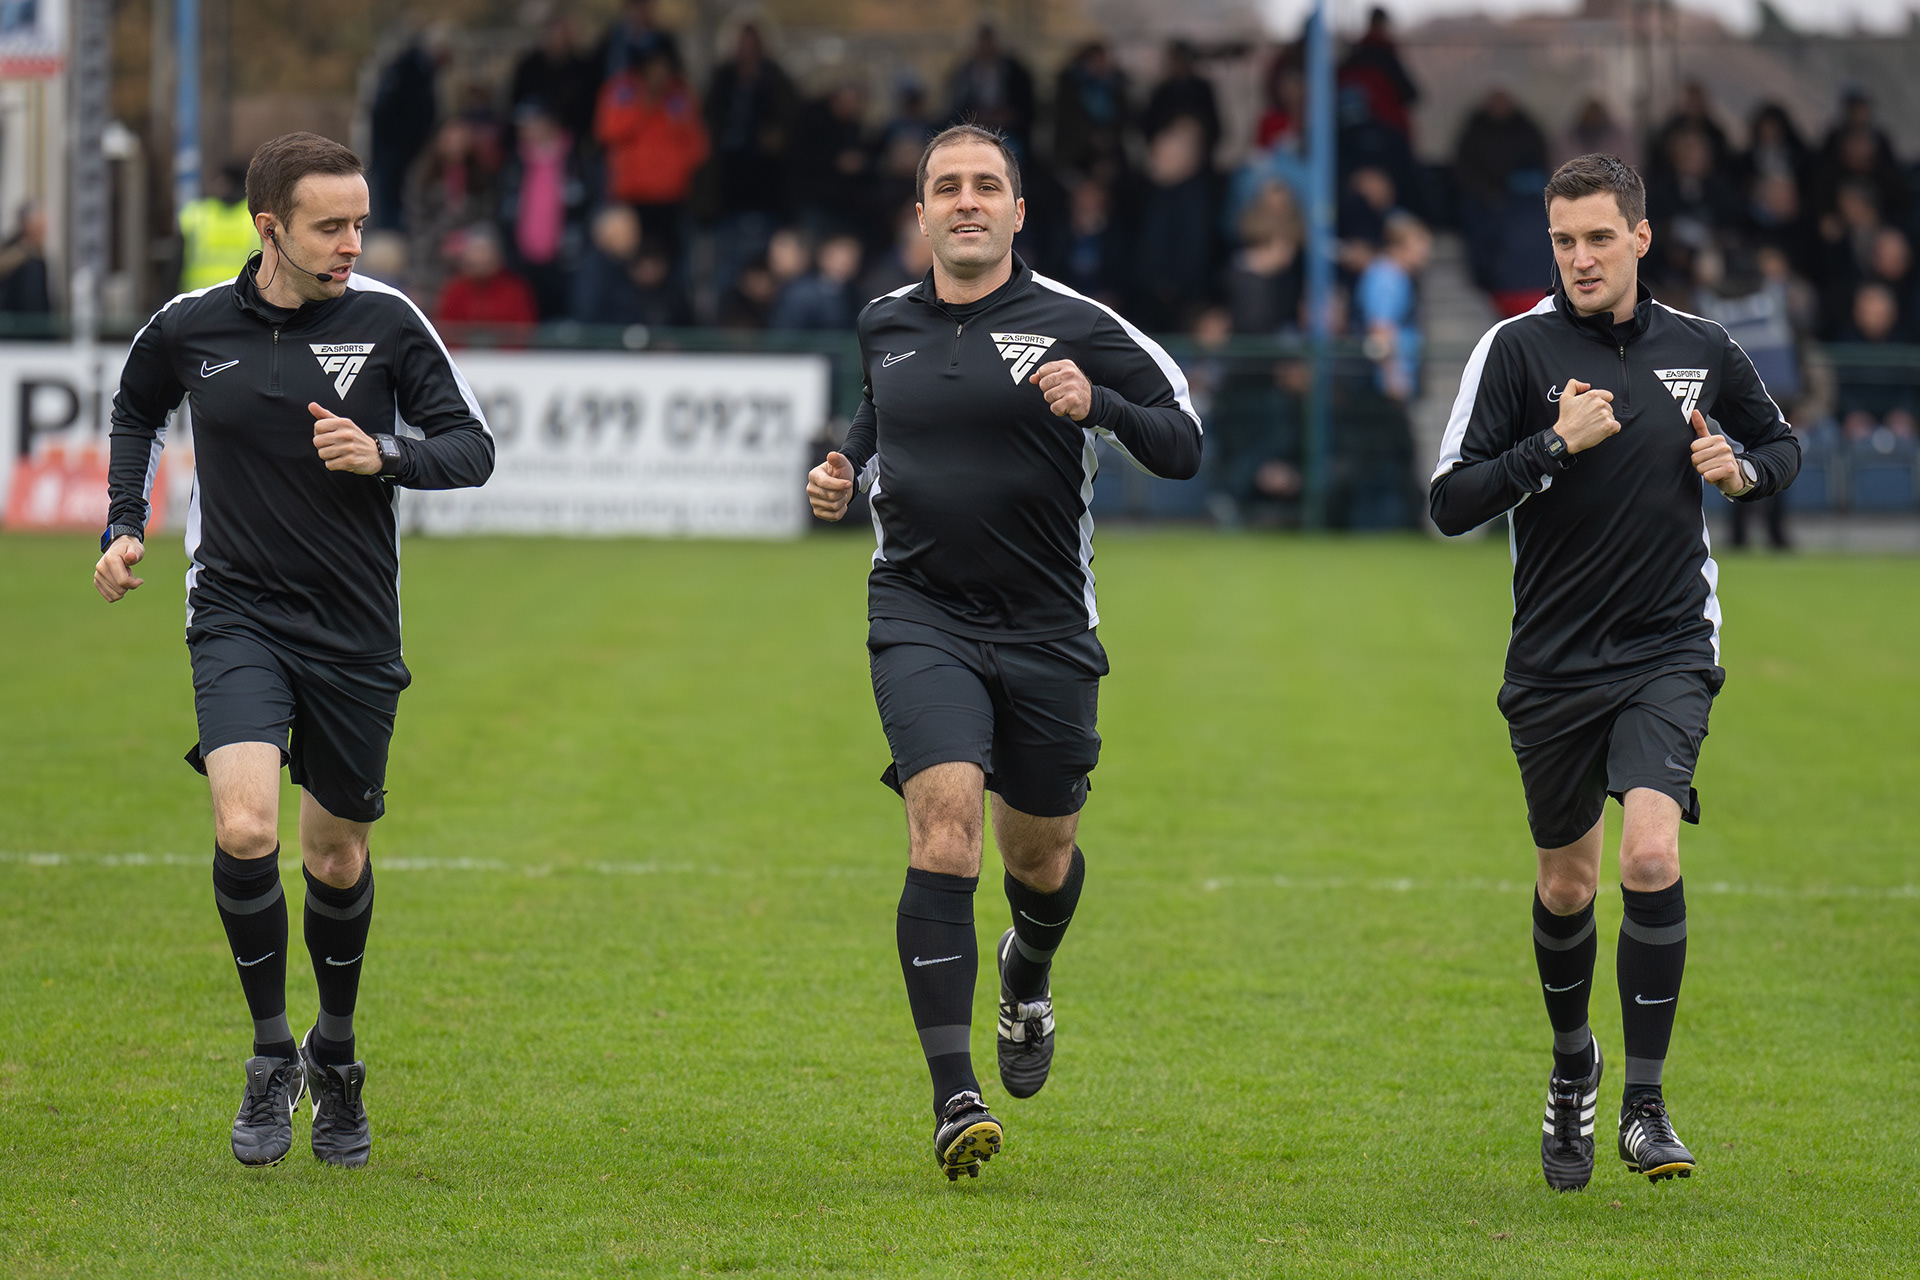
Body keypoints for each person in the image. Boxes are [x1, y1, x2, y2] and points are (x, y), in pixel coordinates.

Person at [805, 124, 1202, 1181]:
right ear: (922, 212)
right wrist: (844, 463)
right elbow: (875, 409)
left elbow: (1184, 439)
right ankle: (954, 1094)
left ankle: (1027, 974)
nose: (967, 200)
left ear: (1019, 212)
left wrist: (1100, 403)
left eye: (987, 186)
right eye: (948, 186)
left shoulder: (1076, 322)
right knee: (945, 831)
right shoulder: (882, 321)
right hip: (919, 613)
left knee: (1042, 855)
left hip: (1046, 630)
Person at [93, 132, 494, 1169]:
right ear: (270, 227)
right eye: (331, 224)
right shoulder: (190, 326)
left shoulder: (389, 322)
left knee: (337, 854)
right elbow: (136, 408)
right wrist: (121, 522)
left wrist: (385, 452)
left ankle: (340, 1053)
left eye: (359, 221)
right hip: (236, 613)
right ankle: (273, 1052)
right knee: (243, 826)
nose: (353, 241)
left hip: (356, 629)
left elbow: (474, 448)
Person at [1430, 155, 1800, 1192]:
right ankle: (1571, 1066)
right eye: (1563, 240)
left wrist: (1745, 468)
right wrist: (1552, 443)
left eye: (1599, 236)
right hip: (1551, 661)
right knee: (1566, 881)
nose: (1580, 257)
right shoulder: (1514, 350)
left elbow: (1781, 444)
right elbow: (1451, 501)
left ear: (1640, 237)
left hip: (1668, 645)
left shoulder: (1703, 347)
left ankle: (1645, 1101)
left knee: (1647, 855)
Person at [436, 226, 540, 328]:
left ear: (497, 260)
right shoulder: (455, 290)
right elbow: (446, 330)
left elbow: (523, 331)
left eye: (485, 263)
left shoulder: (515, 291)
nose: (480, 271)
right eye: (474, 265)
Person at [179, 164, 260, 291]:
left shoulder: (196, 215)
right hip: (245, 300)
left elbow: (175, 266)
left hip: (198, 302)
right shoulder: (258, 217)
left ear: (223, 182)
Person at [0, 201, 52, 316]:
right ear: (29, 227)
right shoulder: (29, 262)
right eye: (40, 227)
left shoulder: (33, 256)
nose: (43, 233)